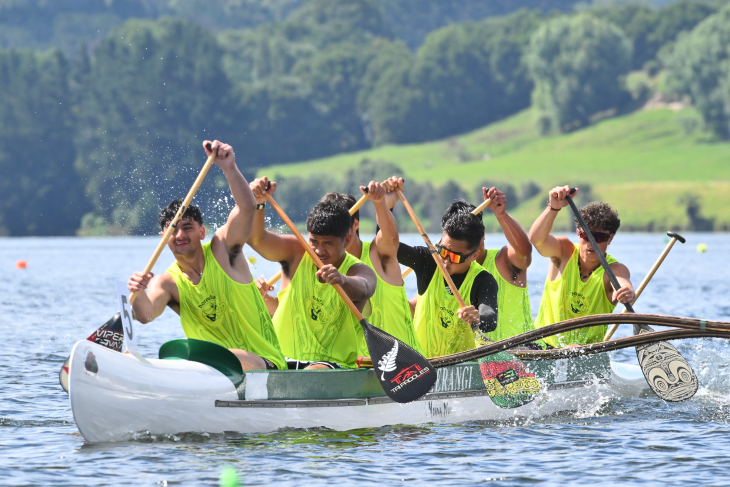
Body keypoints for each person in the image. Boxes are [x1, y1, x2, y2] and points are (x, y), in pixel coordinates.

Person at [127, 141, 286, 371]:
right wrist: (136, 291)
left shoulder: (222, 249)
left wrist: (229, 168)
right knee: (183, 355)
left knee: (223, 357)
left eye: (188, 227)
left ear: (202, 232)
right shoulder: (168, 283)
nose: (180, 235)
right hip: (210, 371)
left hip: (264, 364)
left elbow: (247, 209)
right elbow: (145, 315)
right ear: (163, 236)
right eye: (173, 229)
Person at [246, 176, 377, 369]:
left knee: (312, 372)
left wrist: (342, 279)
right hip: (281, 360)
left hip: (330, 365)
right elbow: (256, 240)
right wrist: (258, 204)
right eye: (314, 241)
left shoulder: (358, 270)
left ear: (347, 239)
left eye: (328, 243)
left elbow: (365, 288)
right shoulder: (296, 252)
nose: (319, 251)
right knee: (239, 358)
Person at [320, 178, 420, 356]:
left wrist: (381, 203)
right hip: (357, 368)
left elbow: (390, 234)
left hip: (405, 365)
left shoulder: (379, 253)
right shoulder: (323, 268)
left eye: (336, 228)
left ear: (355, 225)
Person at [529, 185, 635, 347]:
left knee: (575, 350)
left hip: (586, 354)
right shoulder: (563, 251)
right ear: (578, 233)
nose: (591, 243)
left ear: (610, 239)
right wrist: (553, 208)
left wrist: (627, 291)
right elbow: (537, 240)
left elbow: (622, 282)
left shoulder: (614, 270)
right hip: (541, 347)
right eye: (586, 235)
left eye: (599, 237)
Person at [397, 199, 499, 357]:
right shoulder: (428, 261)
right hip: (423, 365)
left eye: (455, 257)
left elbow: (491, 319)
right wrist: (385, 204)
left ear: (474, 255)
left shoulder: (483, 280)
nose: (445, 261)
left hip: (461, 369)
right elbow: (387, 245)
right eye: (443, 251)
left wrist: (479, 318)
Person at [445, 187, 535, 344]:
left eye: (474, 237)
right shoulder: (445, 271)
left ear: (483, 234)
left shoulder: (503, 259)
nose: (470, 246)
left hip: (524, 350)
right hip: (480, 359)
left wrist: (501, 215)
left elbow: (525, 252)